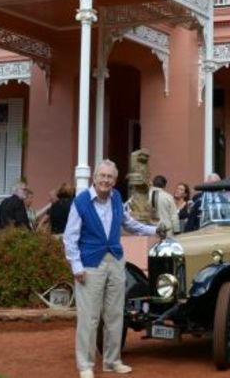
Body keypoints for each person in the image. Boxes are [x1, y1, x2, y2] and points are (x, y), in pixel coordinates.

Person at [64, 159, 163, 378]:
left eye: (110, 177)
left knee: (115, 314)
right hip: (90, 264)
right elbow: (70, 238)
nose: (106, 181)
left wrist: (154, 230)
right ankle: (86, 365)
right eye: (103, 176)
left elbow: (129, 223)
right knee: (89, 317)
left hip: (116, 261)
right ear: (94, 178)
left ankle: (112, 360)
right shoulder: (81, 202)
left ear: (115, 180)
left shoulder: (117, 198)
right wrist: (76, 266)